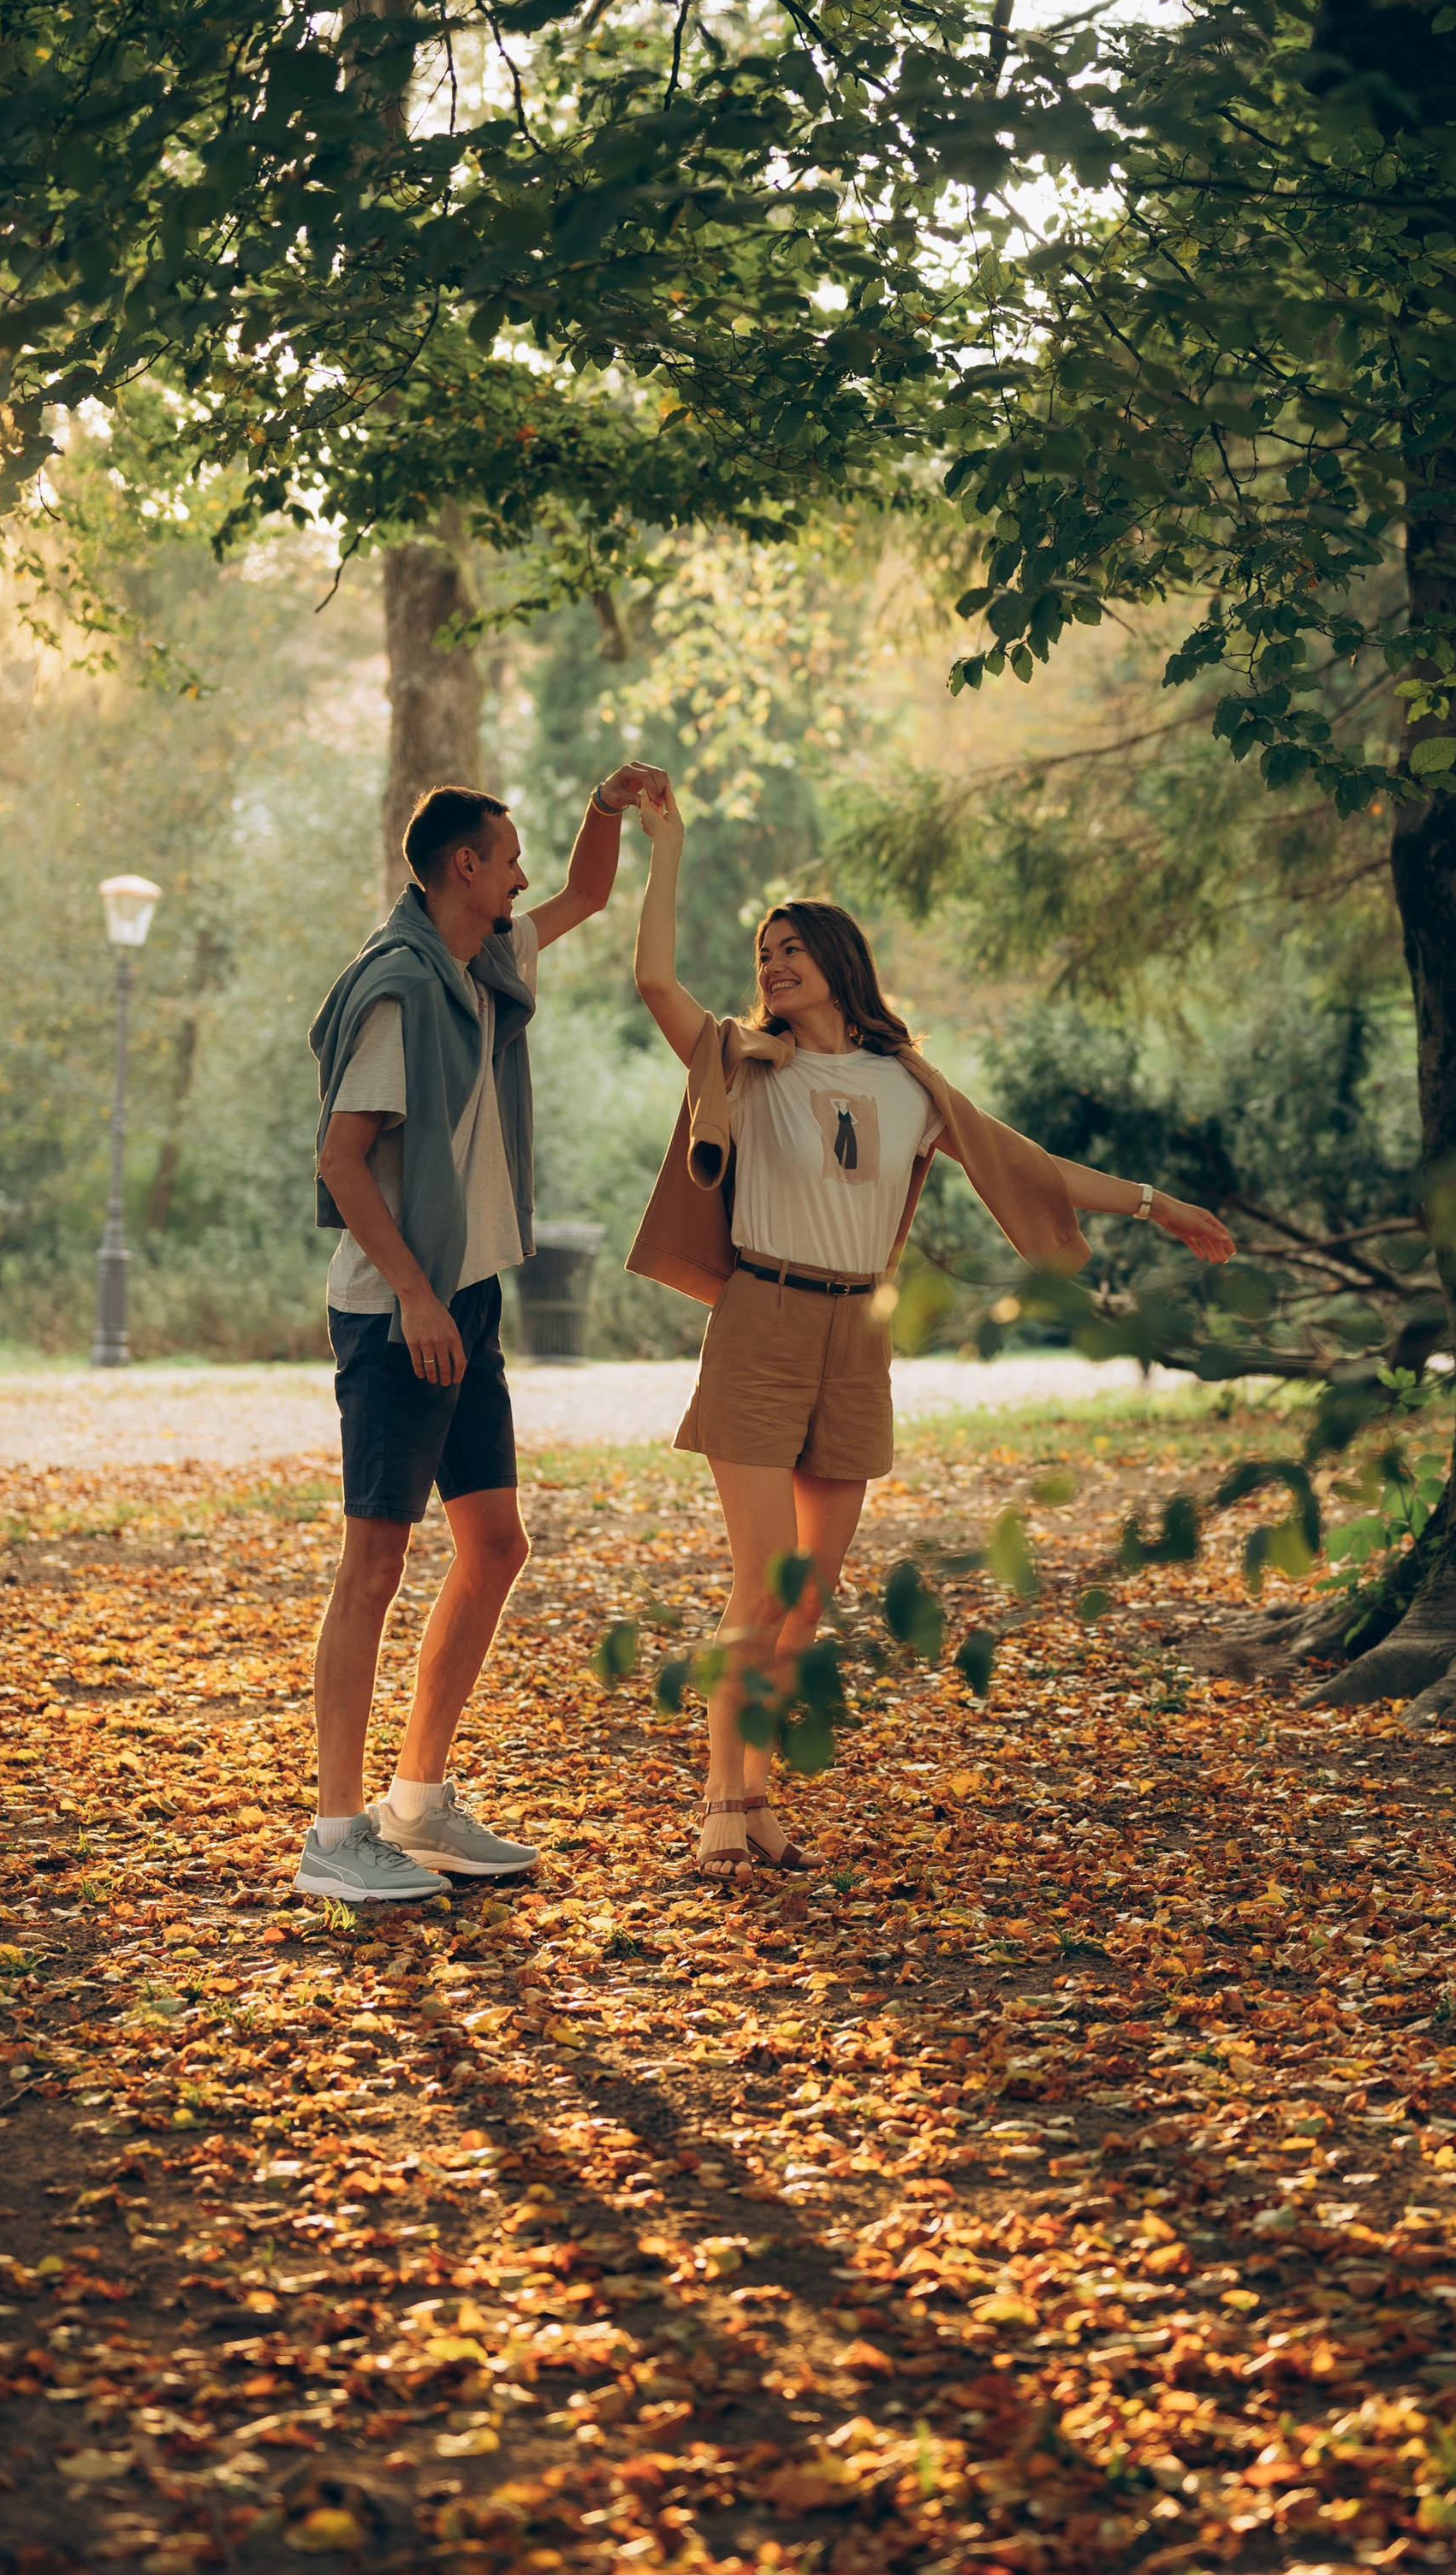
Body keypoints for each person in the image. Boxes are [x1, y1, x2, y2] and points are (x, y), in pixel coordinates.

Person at [623, 782, 1234, 1875]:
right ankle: (724, 1796)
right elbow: (654, 977)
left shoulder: (909, 1086)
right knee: (761, 1580)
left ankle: (756, 1797)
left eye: (793, 946)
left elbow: (1029, 1167)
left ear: (840, 962)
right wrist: (665, 843)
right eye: (764, 950)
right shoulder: (742, 1061)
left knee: (810, 1592)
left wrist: (1153, 1202)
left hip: (857, 1336)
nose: (772, 964)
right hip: (761, 1319)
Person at [299, 765, 667, 1903]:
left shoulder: (481, 965)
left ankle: (417, 1805)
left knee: (496, 1545)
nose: (522, 876)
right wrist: (412, 1294)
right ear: (466, 868)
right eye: (508, 857)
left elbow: (588, 897)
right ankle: (334, 1833)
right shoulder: (403, 991)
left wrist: (607, 810)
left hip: (466, 1299)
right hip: (396, 1306)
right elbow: (342, 1158)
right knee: (375, 1565)